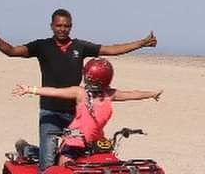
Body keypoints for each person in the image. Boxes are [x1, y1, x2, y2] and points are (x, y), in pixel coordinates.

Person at [0, 10, 156, 172]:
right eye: (59, 25)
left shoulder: (79, 46)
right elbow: (12, 51)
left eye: (66, 26)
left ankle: (29, 150)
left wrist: (141, 43)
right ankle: (29, 155)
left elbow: (110, 50)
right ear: (52, 26)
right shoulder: (42, 46)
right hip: (50, 113)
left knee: (80, 157)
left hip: (75, 114)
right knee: (47, 164)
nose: (62, 29)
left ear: (71, 26)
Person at [11, 58, 162, 161]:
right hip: (74, 142)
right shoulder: (80, 93)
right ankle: (27, 149)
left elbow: (132, 94)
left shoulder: (109, 94)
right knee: (60, 170)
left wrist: (151, 94)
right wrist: (30, 89)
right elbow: (55, 92)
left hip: (98, 143)